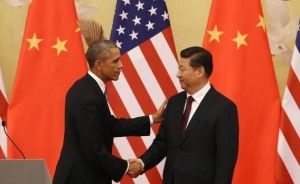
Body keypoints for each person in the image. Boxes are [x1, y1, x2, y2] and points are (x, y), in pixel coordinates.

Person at [53, 39, 166, 184]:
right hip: (81, 178)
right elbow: (93, 152)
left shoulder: (87, 87)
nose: (121, 65)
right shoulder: (88, 96)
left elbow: (109, 125)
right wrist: (126, 166)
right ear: (99, 64)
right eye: (115, 61)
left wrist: (153, 118)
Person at [129, 46, 239, 184]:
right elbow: (163, 142)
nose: (178, 74)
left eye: (182, 69)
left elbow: (226, 160)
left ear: (200, 71)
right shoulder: (175, 102)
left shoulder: (224, 108)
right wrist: (142, 163)